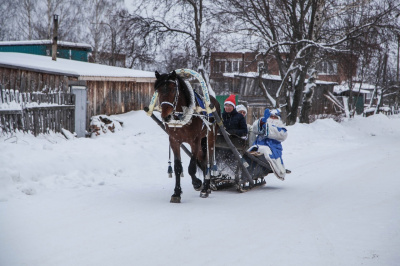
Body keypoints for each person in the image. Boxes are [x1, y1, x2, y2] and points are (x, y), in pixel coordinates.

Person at [248, 108, 287, 180]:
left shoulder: (281, 128)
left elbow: (281, 135)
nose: (272, 118)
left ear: (278, 119)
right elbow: (254, 128)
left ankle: (279, 171)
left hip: (273, 147)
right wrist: (262, 122)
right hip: (258, 144)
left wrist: (267, 126)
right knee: (249, 154)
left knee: (271, 157)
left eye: (275, 117)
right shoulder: (264, 122)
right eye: (271, 116)